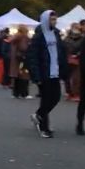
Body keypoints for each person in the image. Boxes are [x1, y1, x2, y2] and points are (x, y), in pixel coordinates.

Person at [26, 9, 68, 138]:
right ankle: (44, 127)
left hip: (55, 71)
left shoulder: (56, 34)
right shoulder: (39, 36)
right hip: (44, 72)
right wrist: (36, 75)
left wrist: (63, 68)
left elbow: (61, 52)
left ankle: (38, 115)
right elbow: (33, 56)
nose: (54, 22)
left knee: (55, 97)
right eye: (52, 19)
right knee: (46, 98)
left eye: (55, 19)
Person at [8, 25, 31, 99]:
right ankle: (24, 93)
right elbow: (23, 47)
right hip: (22, 58)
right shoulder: (23, 37)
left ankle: (15, 93)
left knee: (17, 76)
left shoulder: (15, 36)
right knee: (24, 75)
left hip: (15, 59)